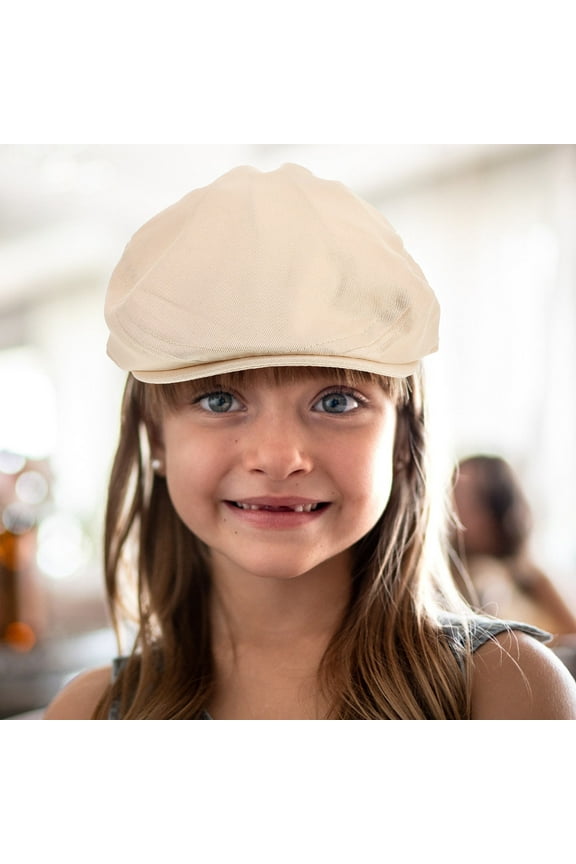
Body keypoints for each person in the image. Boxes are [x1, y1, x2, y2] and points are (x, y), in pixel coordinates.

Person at [44, 164, 576, 719]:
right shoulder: (88, 713)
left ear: (402, 440)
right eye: (219, 400)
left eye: (337, 401)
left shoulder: (508, 688)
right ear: (155, 438)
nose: (277, 457)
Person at [451, 454, 576, 640]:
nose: (453, 510)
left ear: (498, 511)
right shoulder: (467, 576)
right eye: (451, 494)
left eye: (467, 499)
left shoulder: (531, 575)